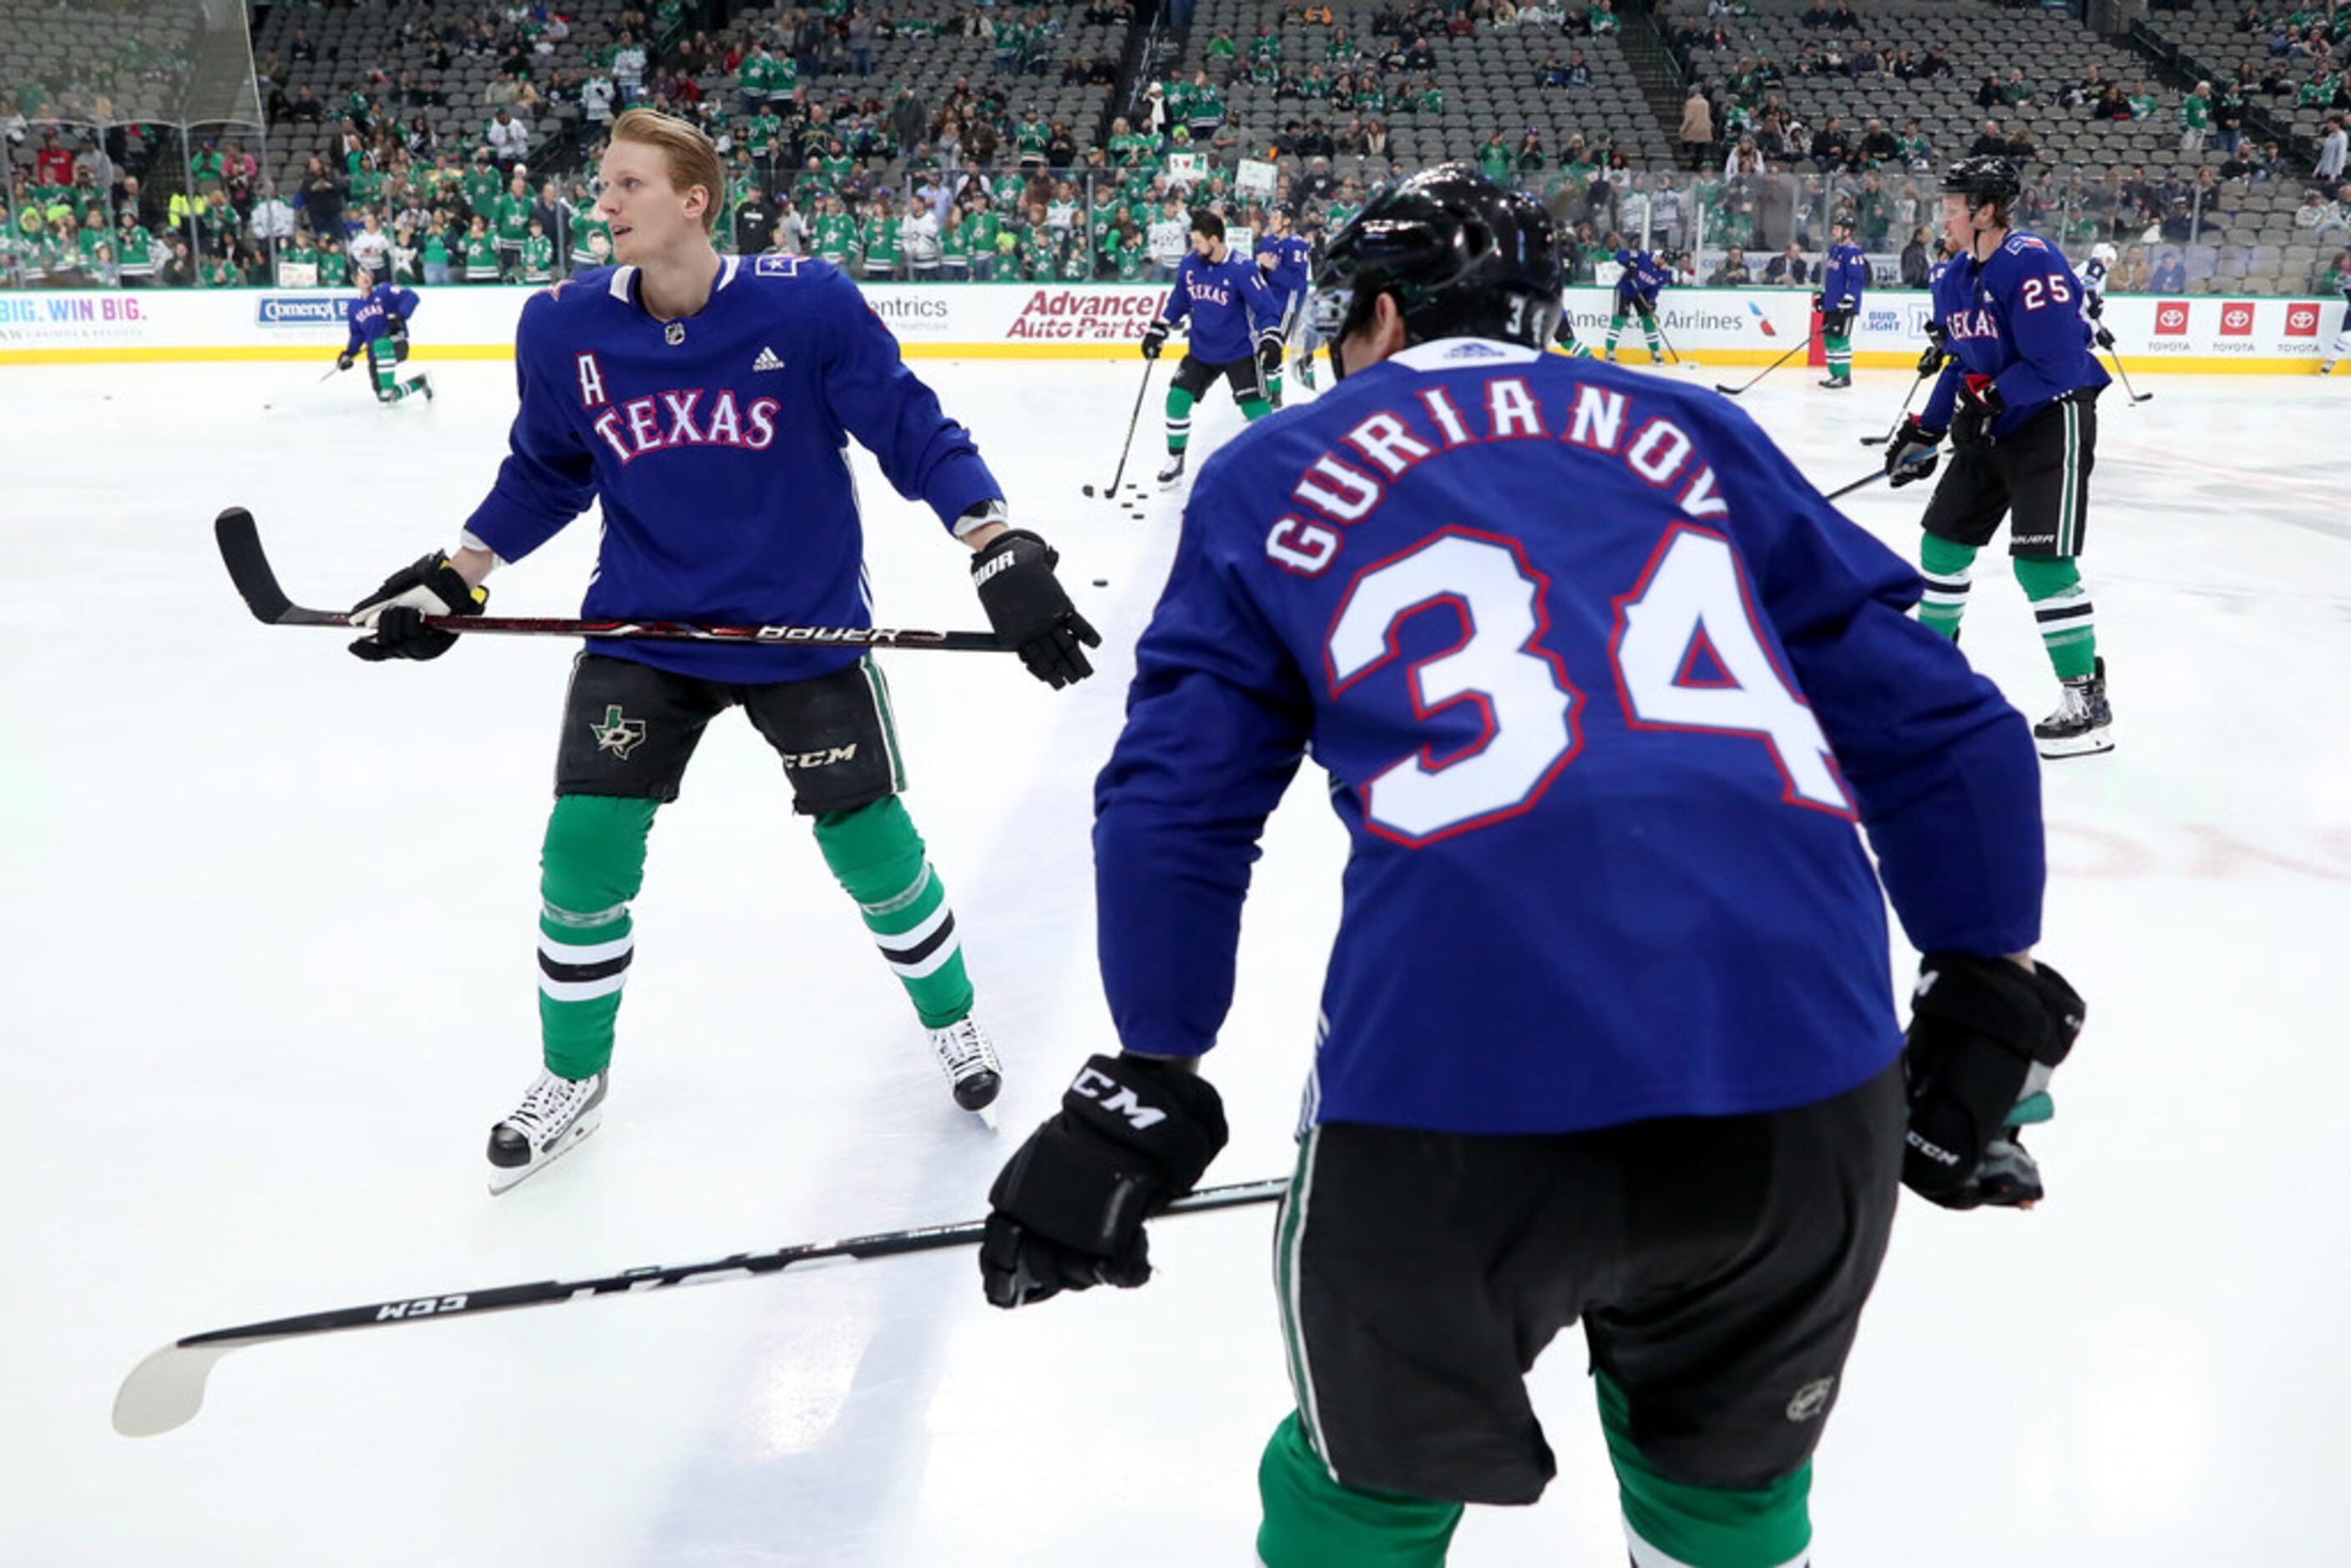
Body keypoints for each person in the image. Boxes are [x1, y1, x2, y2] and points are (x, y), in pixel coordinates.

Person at [977, 164, 2081, 1568]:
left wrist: (1155, 1066)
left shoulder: (1273, 463)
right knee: (1725, 1504)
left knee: (1363, 1488)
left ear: (1378, 314)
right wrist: (1990, 971)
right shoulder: (1690, 428)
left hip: (1454, 1078)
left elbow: (1173, 803)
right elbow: (1945, 720)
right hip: (1803, 1070)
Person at [341, 109, 1100, 1193]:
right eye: (602, 185)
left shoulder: (808, 305)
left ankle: (956, 1023)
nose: (600, 203)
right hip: (644, 626)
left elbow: (907, 426)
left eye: (626, 185)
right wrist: (461, 573)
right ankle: (573, 1077)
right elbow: (549, 471)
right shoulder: (561, 329)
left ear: (693, 199)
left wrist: (995, 539)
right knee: (582, 847)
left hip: (799, 626)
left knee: (871, 846)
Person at [1882, 158, 2114, 758]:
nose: (1945, 218)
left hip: (2049, 420)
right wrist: (1923, 431)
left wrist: (1996, 396)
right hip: (1991, 424)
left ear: (1986, 211)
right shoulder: (1952, 276)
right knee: (1944, 544)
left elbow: (2059, 363)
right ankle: (1931, 678)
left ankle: (2086, 703)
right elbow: (1962, 361)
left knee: (2041, 566)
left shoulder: (2033, 260)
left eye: (1953, 207)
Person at [1140, 207, 1282, 490]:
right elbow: (1179, 301)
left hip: (1238, 351)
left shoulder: (1242, 268)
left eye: (1198, 241)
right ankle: (1175, 462)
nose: (1194, 247)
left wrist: (1270, 337)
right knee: (1176, 400)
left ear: (1215, 239)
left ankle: (1277, 462)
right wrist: (1160, 327)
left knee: (1256, 410)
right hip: (1201, 350)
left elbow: (1266, 308)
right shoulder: (1191, 264)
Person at [336, 271, 433, 406]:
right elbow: (357, 334)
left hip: (396, 342)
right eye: (361, 276)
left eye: (368, 275)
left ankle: (391, 387)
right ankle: (420, 381)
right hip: (374, 353)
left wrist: (399, 315)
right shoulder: (353, 306)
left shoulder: (385, 291)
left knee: (382, 344)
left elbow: (412, 297)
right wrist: (349, 354)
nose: (366, 278)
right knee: (384, 396)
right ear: (355, 281)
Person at [1253, 205, 1316, 405]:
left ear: (1287, 221)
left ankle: (1305, 388)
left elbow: (1298, 283)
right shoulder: (1266, 242)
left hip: (1290, 303)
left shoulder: (1297, 245)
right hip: (1269, 302)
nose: (1271, 220)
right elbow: (1262, 276)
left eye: (1276, 217)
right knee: (1269, 345)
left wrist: (1272, 268)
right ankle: (1274, 394)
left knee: (1280, 345)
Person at [1604, 230, 1670, 363]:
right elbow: (1620, 255)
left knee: (1648, 321)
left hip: (1641, 294)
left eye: (1666, 263)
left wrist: (1651, 301)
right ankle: (1609, 351)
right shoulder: (1642, 256)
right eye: (1662, 260)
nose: (1664, 264)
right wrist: (1628, 264)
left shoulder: (1665, 274)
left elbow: (1654, 289)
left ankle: (1655, 352)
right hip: (1625, 290)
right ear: (1658, 257)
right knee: (1619, 320)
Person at [1818, 217, 1867, 388]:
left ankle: (1844, 376)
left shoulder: (1853, 252)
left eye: (1837, 228)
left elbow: (1857, 279)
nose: (1834, 231)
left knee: (1840, 340)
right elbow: (1833, 278)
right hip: (1832, 304)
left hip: (1844, 306)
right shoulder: (1835, 250)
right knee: (1829, 339)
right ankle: (1835, 374)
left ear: (1847, 232)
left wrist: (1850, 298)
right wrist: (1824, 297)